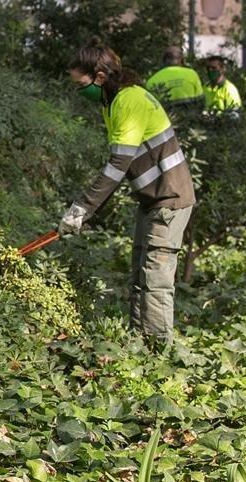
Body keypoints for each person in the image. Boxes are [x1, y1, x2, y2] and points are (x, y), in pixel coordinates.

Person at [58, 39, 196, 344]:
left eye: (81, 85)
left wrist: (81, 209)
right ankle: (139, 343)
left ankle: (158, 351)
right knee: (139, 274)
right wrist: (88, 212)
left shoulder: (128, 101)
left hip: (170, 198)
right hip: (152, 199)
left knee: (155, 278)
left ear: (100, 77)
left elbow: (116, 167)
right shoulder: (113, 102)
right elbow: (121, 169)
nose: (79, 91)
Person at [145, 46, 204, 110]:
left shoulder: (152, 81)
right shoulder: (192, 74)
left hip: (166, 118)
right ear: (182, 59)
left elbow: (150, 108)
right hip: (191, 118)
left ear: (163, 60)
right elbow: (200, 101)